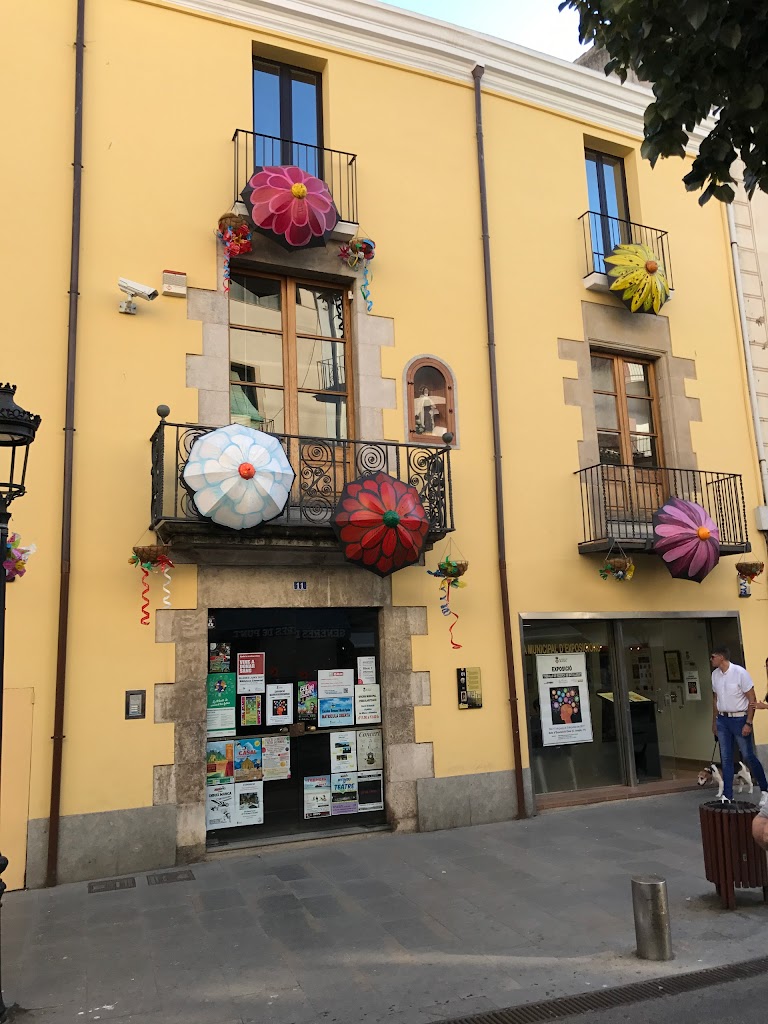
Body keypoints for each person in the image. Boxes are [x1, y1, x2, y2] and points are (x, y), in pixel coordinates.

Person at [710, 646, 768, 805]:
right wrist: (714, 720)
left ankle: (765, 789)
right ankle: (728, 795)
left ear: (721, 657)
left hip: (739, 718)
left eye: (713, 656)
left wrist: (749, 722)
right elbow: (715, 699)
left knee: (748, 755)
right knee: (726, 757)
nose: (711, 659)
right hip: (723, 718)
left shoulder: (740, 673)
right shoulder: (715, 675)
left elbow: (752, 698)